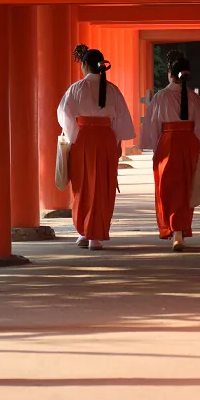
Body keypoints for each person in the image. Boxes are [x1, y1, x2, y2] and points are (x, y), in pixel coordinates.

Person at [58, 45, 135, 251]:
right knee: (103, 186)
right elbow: (120, 120)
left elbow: (65, 116)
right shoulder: (112, 89)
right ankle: (94, 235)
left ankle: (84, 231)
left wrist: (74, 137)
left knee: (82, 185)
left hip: (83, 139)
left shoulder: (76, 88)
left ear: (84, 65)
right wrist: (116, 142)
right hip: (106, 139)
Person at [140, 50, 200, 252]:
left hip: (167, 142)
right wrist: (199, 145)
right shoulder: (193, 98)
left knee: (167, 188)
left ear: (170, 74)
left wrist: (155, 146)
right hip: (188, 143)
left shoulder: (161, 96)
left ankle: (173, 229)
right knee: (185, 187)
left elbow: (152, 124)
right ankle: (180, 231)